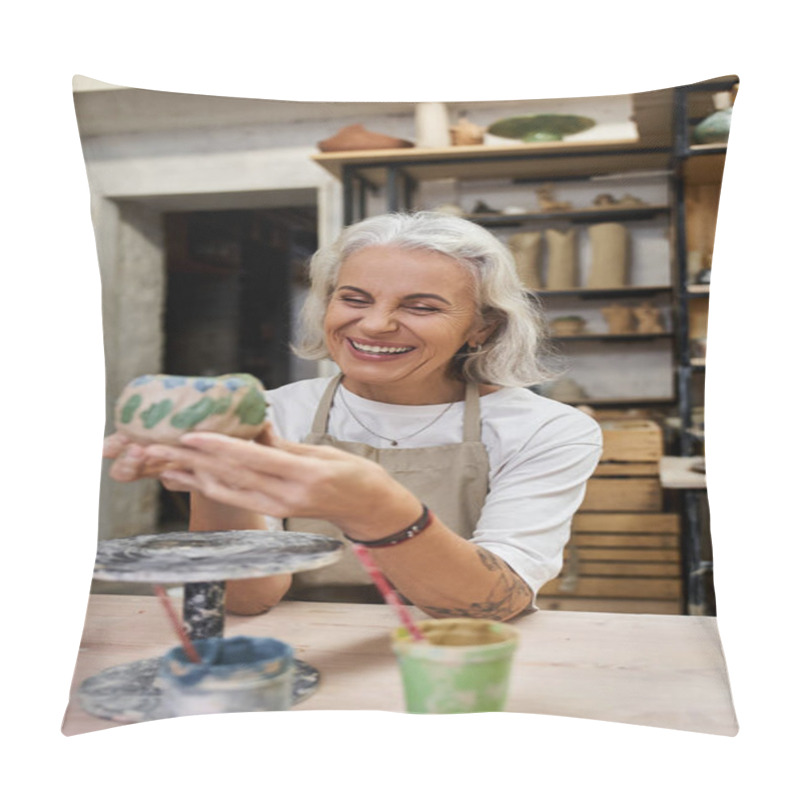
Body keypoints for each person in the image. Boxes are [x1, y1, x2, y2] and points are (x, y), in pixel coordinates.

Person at [104, 211, 602, 621]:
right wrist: (212, 479)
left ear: (482, 327)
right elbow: (246, 600)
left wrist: (374, 507)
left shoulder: (545, 430)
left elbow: (497, 602)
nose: (375, 324)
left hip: (455, 655)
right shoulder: (279, 411)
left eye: (421, 307)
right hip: (300, 647)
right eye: (353, 298)